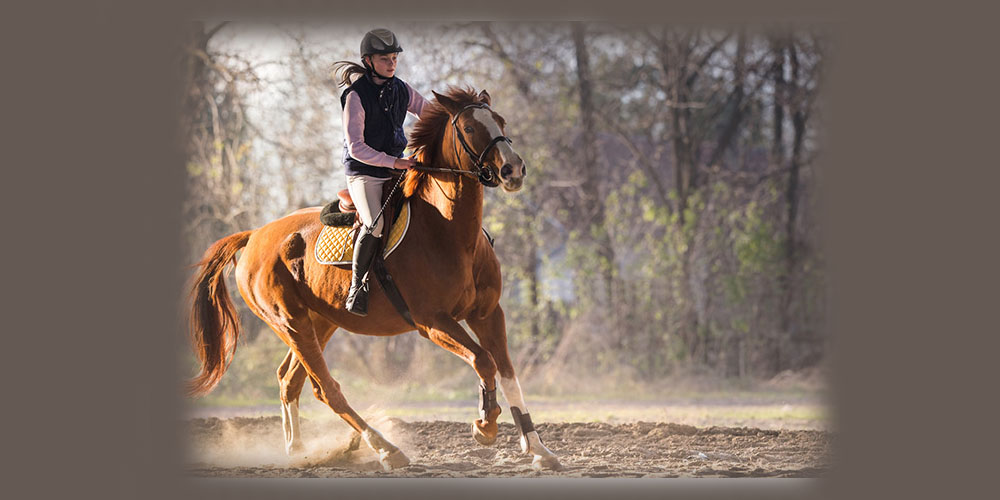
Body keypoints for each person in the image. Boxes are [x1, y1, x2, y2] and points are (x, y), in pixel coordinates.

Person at [331, 28, 430, 316]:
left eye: (394, 57)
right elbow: (356, 148)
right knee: (374, 224)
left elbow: (430, 113)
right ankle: (357, 287)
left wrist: (460, 115)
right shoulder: (355, 96)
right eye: (385, 58)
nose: (392, 63)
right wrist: (395, 162)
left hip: (396, 167)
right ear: (368, 61)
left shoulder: (403, 89)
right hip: (364, 173)